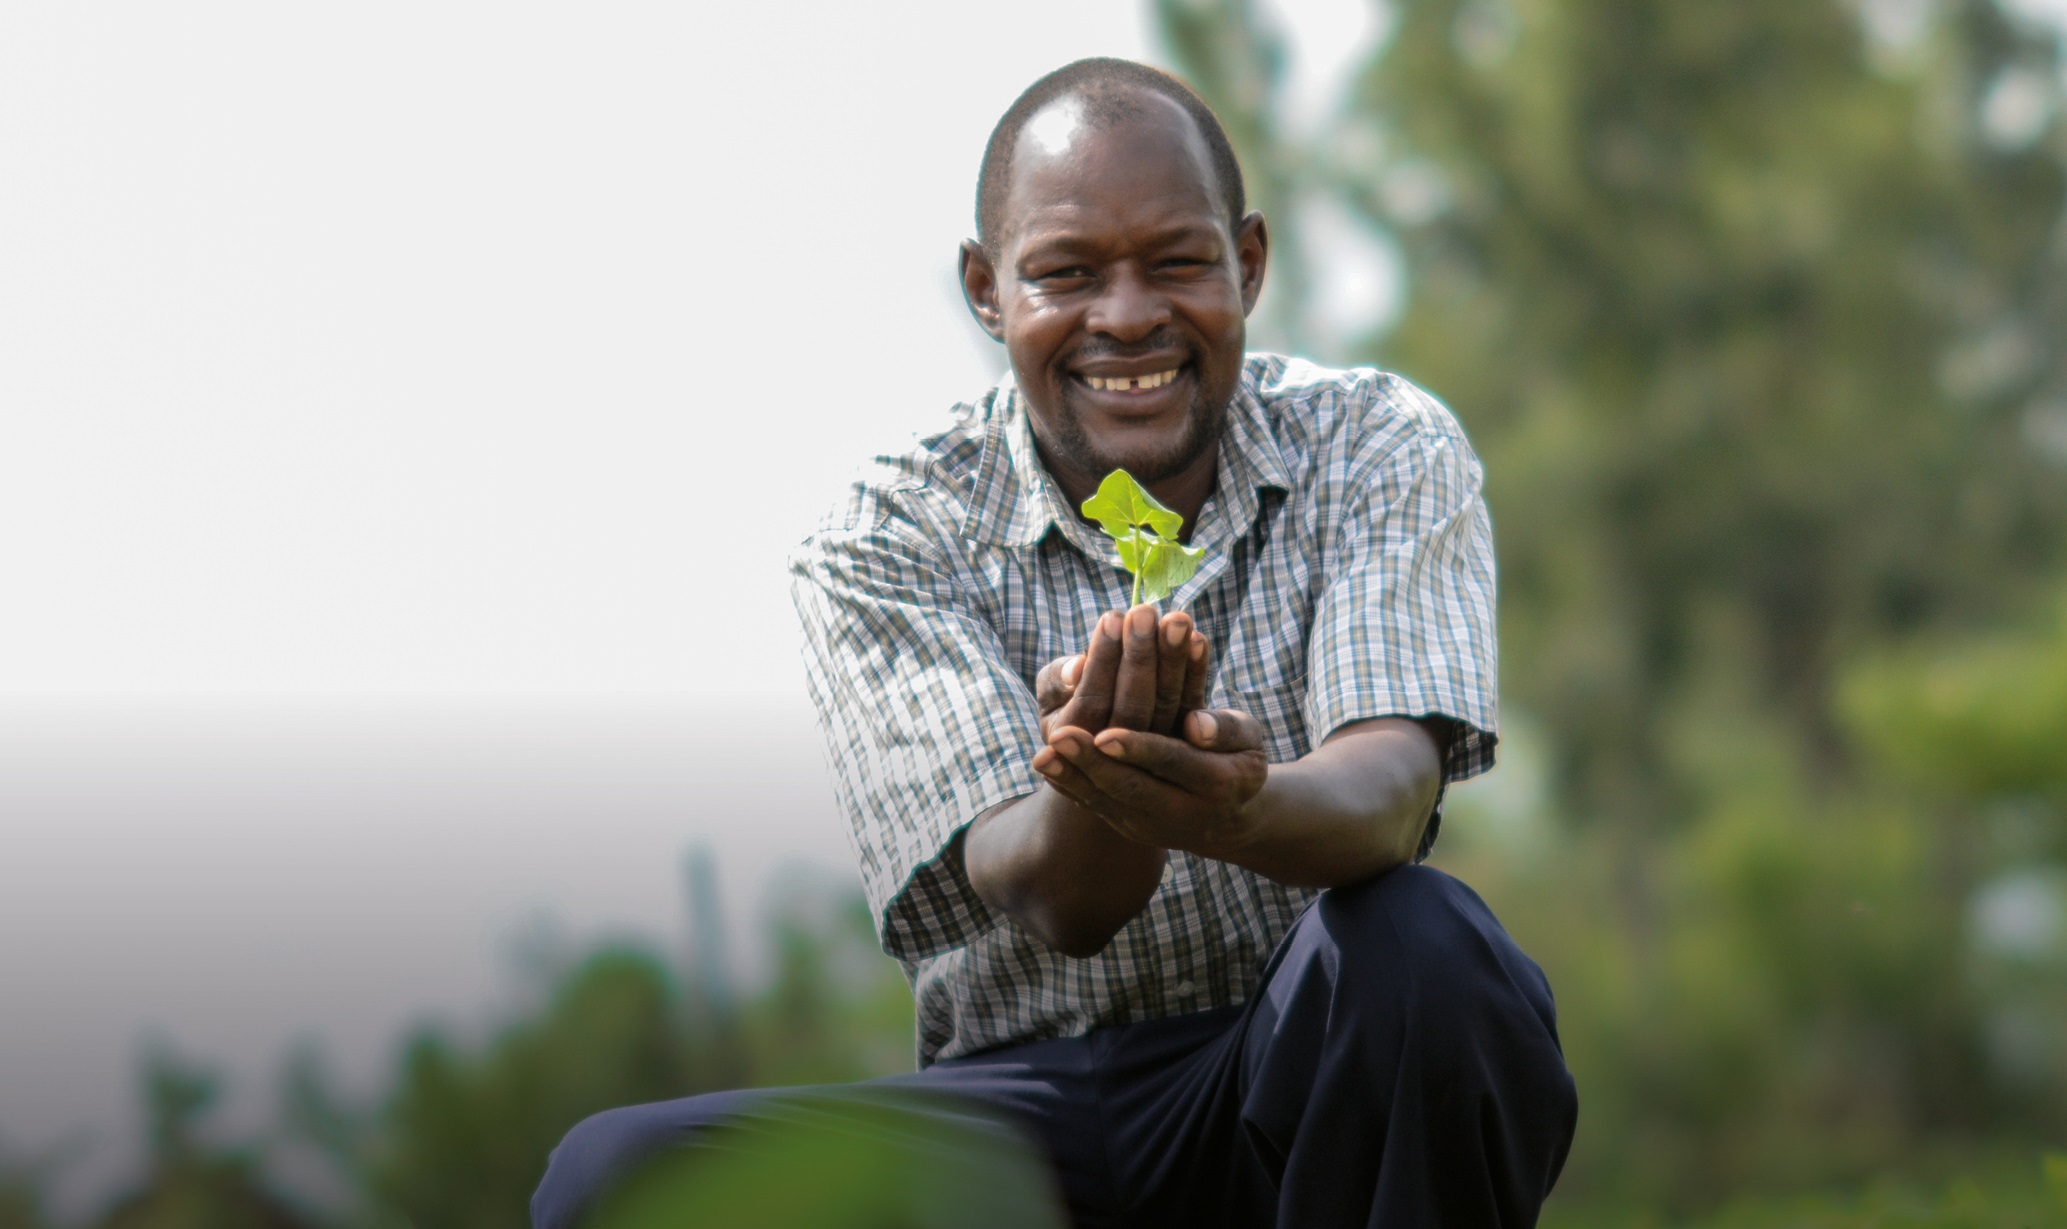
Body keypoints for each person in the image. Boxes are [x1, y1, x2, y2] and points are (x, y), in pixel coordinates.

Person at [533, 57, 1577, 1229]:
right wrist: (1116, 775)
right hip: (1012, 1126)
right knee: (610, 1180)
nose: (1127, 316)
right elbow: (1049, 895)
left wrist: (1235, 807)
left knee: (1429, 947)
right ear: (988, 291)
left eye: (1177, 263)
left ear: (1249, 263)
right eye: (1067, 273)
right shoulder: (889, 533)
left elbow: (1388, 796)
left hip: (1292, 1083)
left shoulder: (1374, 444)